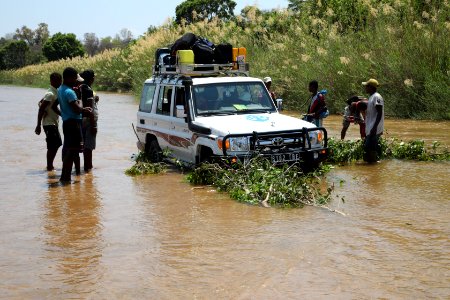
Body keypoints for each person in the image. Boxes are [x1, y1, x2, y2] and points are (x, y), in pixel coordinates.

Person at [58, 67, 91, 182]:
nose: (76, 82)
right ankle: (65, 177)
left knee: (70, 150)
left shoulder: (61, 89)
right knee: (72, 151)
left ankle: (65, 176)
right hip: (74, 124)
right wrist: (83, 107)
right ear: (68, 78)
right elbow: (77, 109)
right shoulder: (70, 92)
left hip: (67, 123)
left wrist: (80, 107)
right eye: (75, 79)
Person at [35, 72, 63, 171]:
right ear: (51, 81)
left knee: (57, 144)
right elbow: (41, 108)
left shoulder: (55, 92)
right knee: (53, 145)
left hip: (53, 122)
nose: (58, 82)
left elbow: (40, 102)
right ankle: (49, 166)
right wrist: (38, 125)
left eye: (59, 80)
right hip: (48, 123)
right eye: (55, 80)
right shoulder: (50, 93)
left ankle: (50, 165)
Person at [79, 70, 98, 172]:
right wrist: (94, 125)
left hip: (81, 119)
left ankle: (85, 167)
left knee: (84, 145)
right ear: (92, 79)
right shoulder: (89, 91)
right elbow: (90, 109)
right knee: (89, 147)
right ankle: (88, 168)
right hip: (89, 120)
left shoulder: (79, 88)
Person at [362, 78, 384, 163]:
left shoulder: (377, 97)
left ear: (370, 87)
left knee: (369, 148)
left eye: (366, 86)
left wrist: (374, 127)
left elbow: (379, 113)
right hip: (371, 127)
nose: (365, 88)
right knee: (370, 148)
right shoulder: (371, 97)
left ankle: (374, 166)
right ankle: (374, 165)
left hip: (374, 128)